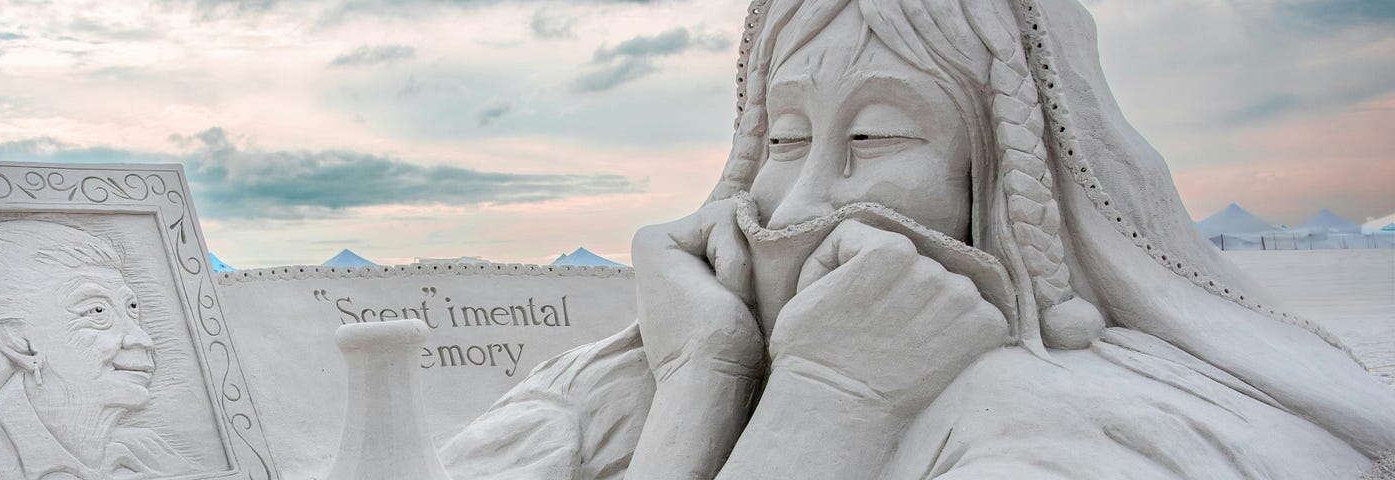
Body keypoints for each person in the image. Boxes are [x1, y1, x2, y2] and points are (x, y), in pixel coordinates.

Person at [439, 0, 1395, 478]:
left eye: (876, 138)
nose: (804, 197)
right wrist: (705, 376)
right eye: (783, 139)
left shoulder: (1077, 438)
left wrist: (833, 402)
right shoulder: (618, 378)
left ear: (999, 183)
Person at [0, 216, 199, 479]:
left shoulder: (147, 453)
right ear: (19, 343)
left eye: (131, 308)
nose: (142, 338)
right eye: (97, 311)